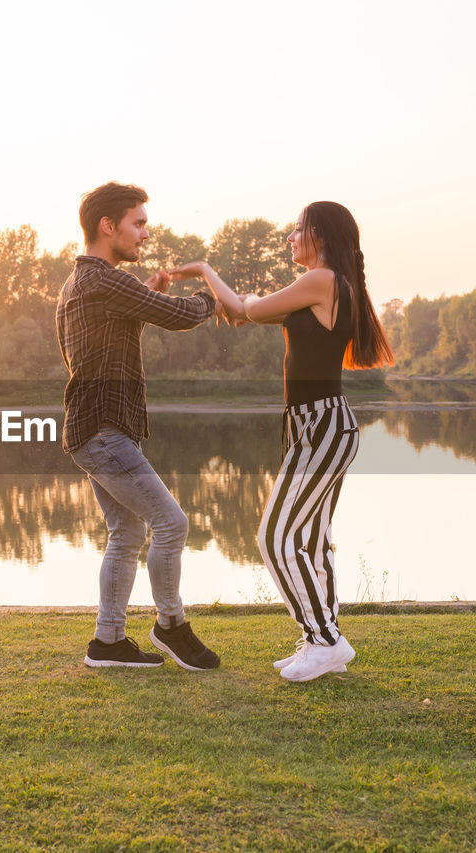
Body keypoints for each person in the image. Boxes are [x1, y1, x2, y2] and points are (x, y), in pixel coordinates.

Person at [169, 201, 393, 682]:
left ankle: (326, 641)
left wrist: (206, 268)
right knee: (310, 542)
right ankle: (322, 637)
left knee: (275, 537)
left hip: (323, 426)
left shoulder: (323, 280)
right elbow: (243, 312)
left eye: (297, 230)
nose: (289, 238)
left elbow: (246, 309)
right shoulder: (324, 285)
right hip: (314, 427)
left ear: (322, 237)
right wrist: (217, 281)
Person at [57, 182, 226, 671]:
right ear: (108, 226)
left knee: (126, 531)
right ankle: (171, 626)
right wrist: (212, 290)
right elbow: (181, 315)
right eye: (139, 223)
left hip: (93, 431)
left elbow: (100, 345)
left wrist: (140, 302)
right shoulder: (102, 280)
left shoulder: (79, 284)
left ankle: (107, 642)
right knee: (171, 524)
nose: (145, 235)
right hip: (103, 432)